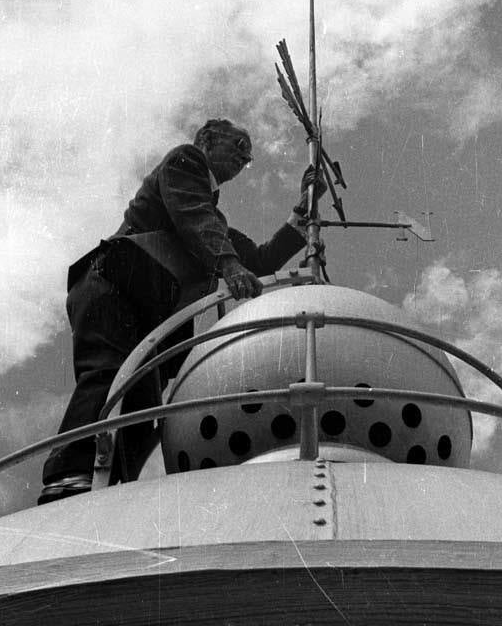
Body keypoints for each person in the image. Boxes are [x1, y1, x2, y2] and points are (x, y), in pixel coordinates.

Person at [39, 118, 325, 503]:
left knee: (142, 410)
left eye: (249, 153)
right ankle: (69, 475)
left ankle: (108, 490)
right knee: (108, 375)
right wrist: (228, 264)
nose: (246, 156)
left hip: (142, 313)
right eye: (239, 143)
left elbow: (259, 258)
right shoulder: (185, 164)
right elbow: (193, 215)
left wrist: (302, 210)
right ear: (206, 139)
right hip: (112, 287)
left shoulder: (212, 223)